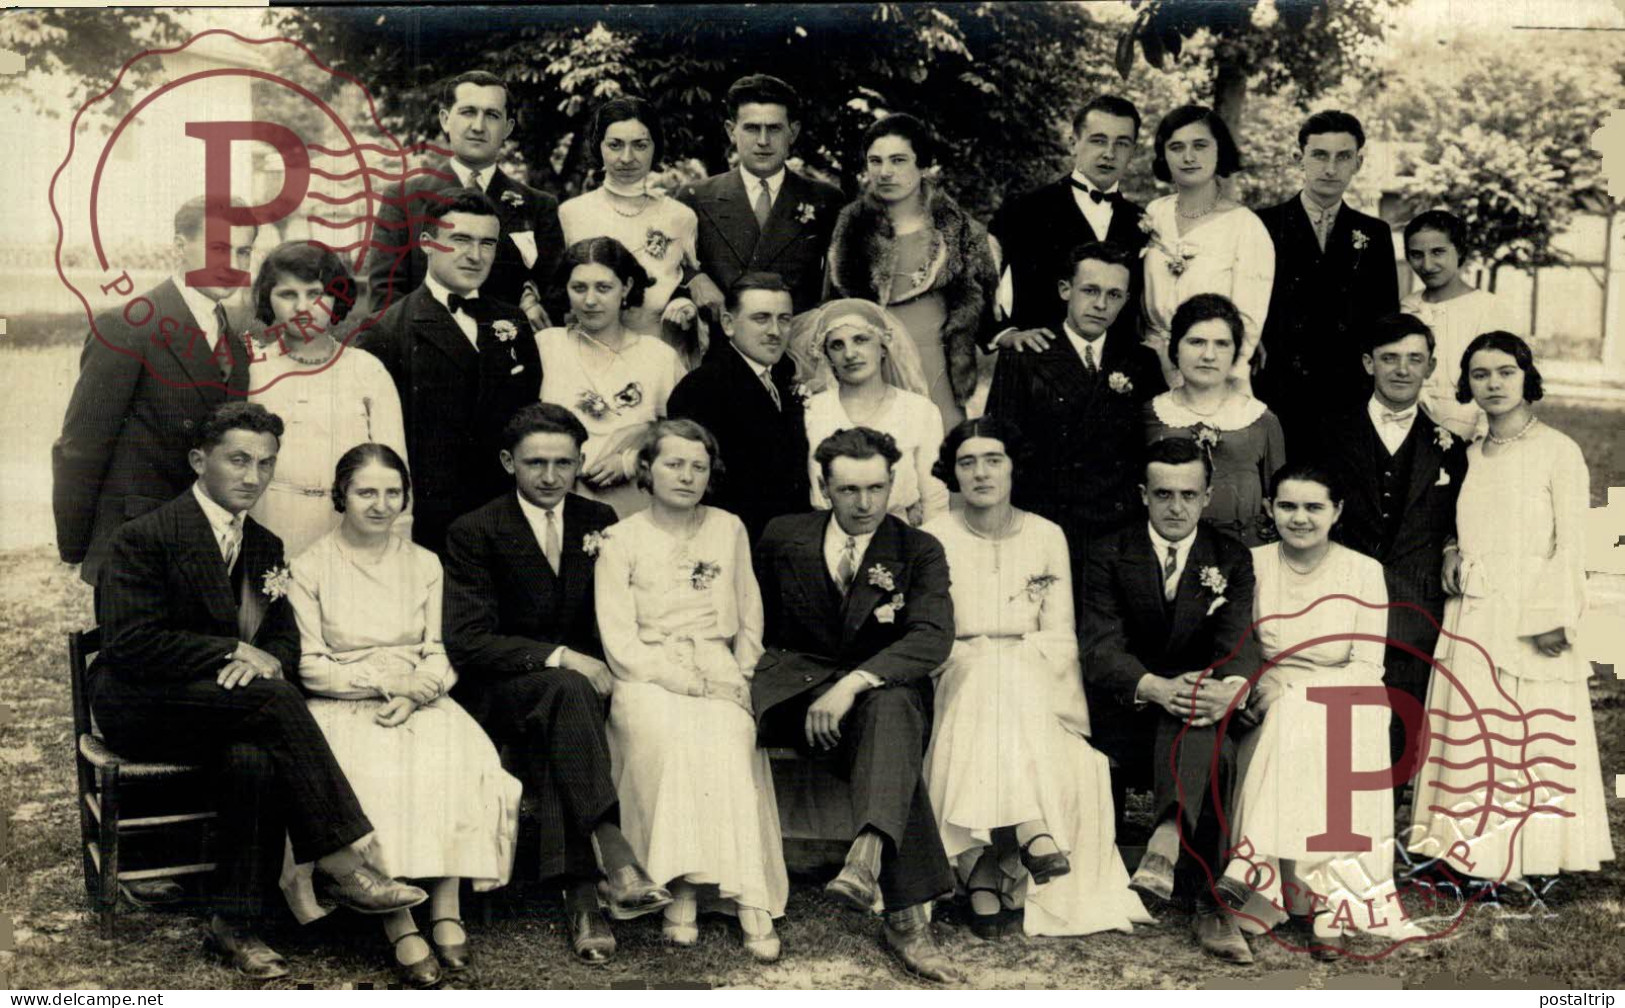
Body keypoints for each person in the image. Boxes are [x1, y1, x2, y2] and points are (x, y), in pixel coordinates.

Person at [86, 402, 426, 980]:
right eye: (238, 460)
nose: (253, 476)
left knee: (254, 757)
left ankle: (234, 926)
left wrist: (263, 660)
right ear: (199, 460)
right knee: (272, 700)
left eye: (266, 464)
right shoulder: (144, 537)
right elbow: (129, 643)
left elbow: (284, 643)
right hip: (140, 701)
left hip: (227, 707)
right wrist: (231, 652)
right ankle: (347, 864)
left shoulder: (265, 546)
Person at [281, 444, 520, 987]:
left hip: (419, 694)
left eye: (393, 493)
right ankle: (398, 922)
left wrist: (418, 691)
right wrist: (387, 684)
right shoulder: (311, 565)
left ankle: (446, 905)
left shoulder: (424, 563)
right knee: (372, 774)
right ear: (341, 496)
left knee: (459, 755)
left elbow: (439, 649)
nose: (380, 504)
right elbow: (312, 667)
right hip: (344, 699)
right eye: (366, 492)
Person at [442, 403, 670, 964]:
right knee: (568, 691)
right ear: (507, 462)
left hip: (574, 696)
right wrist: (563, 657)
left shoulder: (599, 522)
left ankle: (585, 896)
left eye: (563, 463)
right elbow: (469, 642)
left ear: (580, 462)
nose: (550, 477)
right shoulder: (475, 529)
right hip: (500, 690)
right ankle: (612, 855)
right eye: (535, 463)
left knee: (568, 711)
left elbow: (615, 614)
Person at [921, 417, 1152, 939]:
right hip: (957, 671)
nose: (981, 473)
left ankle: (983, 872)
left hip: (1036, 679)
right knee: (986, 672)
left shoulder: (1047, 535)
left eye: (993, 460)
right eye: (967, 462)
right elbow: (932, 631)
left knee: (1005, 677)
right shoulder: (932, 536)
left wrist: (1046, 690)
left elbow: (1060, 633)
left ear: (1013, 468)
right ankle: (1032, 830)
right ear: (951, 473)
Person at [752, 428, 961, 983]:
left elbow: (932, 637)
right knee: (891, 735)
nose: (864, 503)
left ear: (893, 482)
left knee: (891, 711)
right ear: (824, 488)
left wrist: (851, 686)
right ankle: (905, 918)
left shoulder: (918, 550)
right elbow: (757, 620)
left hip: (872, 696)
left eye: (876, 487)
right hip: (796, 695)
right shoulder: (782, 537)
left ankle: (867, 856)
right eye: (848, 490)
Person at [1409, 332, 1615, 881]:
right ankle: (1464, 849)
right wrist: (1452, 550)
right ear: (1466, 383)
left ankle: (1530, 855)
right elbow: (1460, 524)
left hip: (1531, 609)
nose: (1493, 384)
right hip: (1473, 610)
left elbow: (1572, 543)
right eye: (1480, 374)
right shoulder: (1467, 453)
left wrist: (1551, 617)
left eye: (1504, 371)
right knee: (1472, 727)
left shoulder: (1558, 451)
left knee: (1526, 729)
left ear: (1526, 376)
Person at [594, 419, 788, 961]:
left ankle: (746, 891)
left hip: (718, 666)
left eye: (698, 466)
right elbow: (617, 637)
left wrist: (741, 675)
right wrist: (674, 677)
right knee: (674, 737)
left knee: (727, 735)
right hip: (647, 673)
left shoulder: (728, 527)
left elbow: (750, 612)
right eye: (674, 464)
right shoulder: (620, 538)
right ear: (647, 470)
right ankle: (680, 887)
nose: (686, 476)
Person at [1218, 462, 1425, 959]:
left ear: (1336, 512)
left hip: (1348, 695)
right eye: (1287, 506)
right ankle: (1325, 908)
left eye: (1314, 507)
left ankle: (1252, 867)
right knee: (1297, 719)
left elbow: (1367, 665)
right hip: (1270, 700)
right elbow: (1239, 647)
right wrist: (1262, 682)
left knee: (1309, 715)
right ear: (1270, 509)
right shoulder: (1253, 563)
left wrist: (1291, 688)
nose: (1300, 518)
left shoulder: (1363, 571)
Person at [1081, 437, 1261, 965]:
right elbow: (1099, 647)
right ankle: (1205, 889)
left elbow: (1236, 645)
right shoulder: (1107, 551)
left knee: (1208, 729)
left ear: (1207, 497)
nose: (1176, 507)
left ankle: (1170, 841)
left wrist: (1220, 688)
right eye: (1163, 494)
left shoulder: (1229, 556)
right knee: (1205, 738)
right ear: (1143, 495)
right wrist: (1158, 688)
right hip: (1128, 710)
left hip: (1197, 711)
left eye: (1188, 494)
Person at [53, 196, 256, 588]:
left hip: (206, 550)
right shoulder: (129, 326)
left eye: (244, 251)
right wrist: (82, 548)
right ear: (179, 247)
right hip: (136, 549)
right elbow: (81, 446)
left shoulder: (233, 342)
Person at [356, 187, 543, 555]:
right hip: (433, 527)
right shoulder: (388, 331)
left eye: (487, 243)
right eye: (459, 240)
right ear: (427, 243)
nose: (475, 256)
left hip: (507, 517)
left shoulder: (512, 320)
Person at [985, 242, 1166, 612]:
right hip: (1047, 522)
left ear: (1126, 300)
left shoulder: (1139, 360)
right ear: (1065, 290)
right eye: (1090, 290)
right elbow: (998, 448)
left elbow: (1150, 448)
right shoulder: (1025, 354)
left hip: (1117, 523)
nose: (1101, 304)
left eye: (1114, 295)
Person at [1321, 313, 1467, 767]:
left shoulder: (1449, 446)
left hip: (1414, 603)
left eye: (1414, 359)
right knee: (1333, 720)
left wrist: (1449, 547)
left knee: (1401, 724)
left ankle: (1385, 827)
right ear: (1368, 363)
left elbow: (1460, 521)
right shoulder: (1329, 433)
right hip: (1339, 599)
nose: (1402, 369)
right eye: (1389, 358)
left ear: (1430, 366)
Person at [826, 113, 1000, 427]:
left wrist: (1007, 333)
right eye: (875, 161)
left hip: (936, 367)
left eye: (898, 160)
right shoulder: (851, 226)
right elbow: (833, 305)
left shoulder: (955, 226)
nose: (885, 172)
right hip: (874, 365)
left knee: (938, 455)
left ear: (922, 165)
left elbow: (980, 296)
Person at [363, 69, 563, 329]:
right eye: (468, 112)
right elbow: (385, 300)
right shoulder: (403, 199)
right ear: (446, 120)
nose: (478, 126)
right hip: (426, 356)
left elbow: (554, 298)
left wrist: (533, 300)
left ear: (508, 128)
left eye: (492, 115)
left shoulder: (538, 206)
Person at [247, 242, 410, 557]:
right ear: (268, 299)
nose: (303, 307)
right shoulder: (254, 371)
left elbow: (396, 471)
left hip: (349, 528)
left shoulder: (367, 370)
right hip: (268, 525)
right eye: (288, 294)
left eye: (315, 294)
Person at [1255, 110, 1400, 450]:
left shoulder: (1374, 234)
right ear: (1299, 158)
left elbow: (1385, 320)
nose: (1331, 168)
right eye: (1320, 155)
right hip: (1276, 391)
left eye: (1343, 157)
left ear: (1358, 163)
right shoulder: (1263, 225)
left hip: (1346, 397)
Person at [537, 236, 688, 518]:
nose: (590, 300)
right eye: (579, 288)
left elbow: (685, 439)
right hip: (557, 507)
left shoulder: (659, 357)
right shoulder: (546, 346)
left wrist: (630, 462)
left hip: (635, 507)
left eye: (603, 288)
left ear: (626, 287)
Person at [679, 74, 846, 318]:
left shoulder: (826, 200)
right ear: (731, 131)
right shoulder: (696, 197)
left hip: (796, 344)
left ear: (793, 132)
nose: (763, 141)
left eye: (774, 128)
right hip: (719, 346)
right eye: (752, 128)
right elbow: (669, 266)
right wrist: (694, 279)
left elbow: (839, 286)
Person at [990, 95, 1148, 352]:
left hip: (1116, 373)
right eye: (1098, 140)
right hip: (1034, 368)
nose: (1109, 154)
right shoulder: (1023, 209)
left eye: (1122, 143)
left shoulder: (1141, 221)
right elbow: (976, 281)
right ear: (1074, 143)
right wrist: (1004, 333)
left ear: (1133, 151)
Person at [558, 96, 704, 366]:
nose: (627, 158)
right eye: (615, 145)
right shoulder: (571, 213)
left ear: (654, 148)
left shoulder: (680, 217)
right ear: (599, 146)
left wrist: (685, 305)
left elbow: (689, 282)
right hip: (588, 355)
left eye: (640, 145)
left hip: (661, 356)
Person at [1139, 105, 1275, 392]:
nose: (1188, 157)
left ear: (1219, 150)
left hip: (1212, 374)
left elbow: (1247, 325)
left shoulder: (1246, 227)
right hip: (1148, 366)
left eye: (1200, 145)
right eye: (1176, 147)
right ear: (1164, 154)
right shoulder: (1155, 214)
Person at [665, 272, 809, 541]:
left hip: (786, 546)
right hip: (735, 544)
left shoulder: (780, 379)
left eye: (784, 319)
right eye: (761, 318)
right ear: (728, 324)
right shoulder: (701, 388)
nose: (775, 332)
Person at [1144, 294, 1286, 547]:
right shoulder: (1151, 415)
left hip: (1246, 554)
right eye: (1196, 342)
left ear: (1235, 353)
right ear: (1175, 348)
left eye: (1222, 344)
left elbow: (1280, 501)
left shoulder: (1261, 420)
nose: (1209, 355)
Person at [791, 298, 947, 527]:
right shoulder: (812, 410)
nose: (850, 353)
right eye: (837, 345)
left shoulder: (919, 411)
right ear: (827, 356)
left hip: (899, 539)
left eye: (860, 340)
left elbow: (935, 498)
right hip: (824, 535)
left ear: (883, 347)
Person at [1399, 210, 1515, 439]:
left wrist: (1484, 440)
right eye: (1416, 255)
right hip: (1409, 431)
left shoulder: (1489, 309)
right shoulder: (1407, 306)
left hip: (1467, 432)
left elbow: (1501, 382)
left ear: (1460, 250)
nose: (1427, 265)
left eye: (1438, 252)